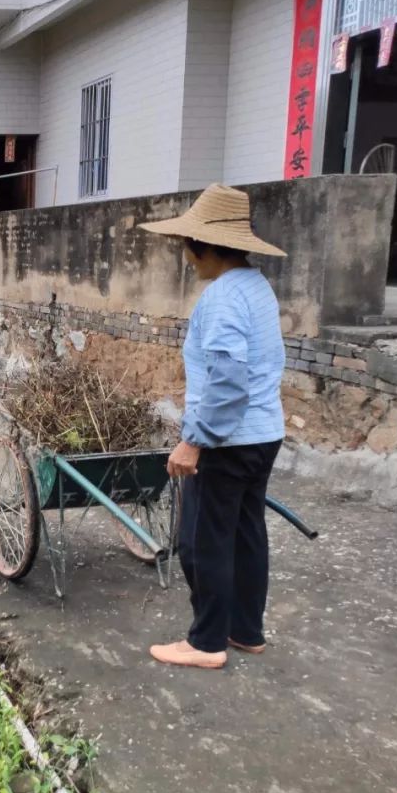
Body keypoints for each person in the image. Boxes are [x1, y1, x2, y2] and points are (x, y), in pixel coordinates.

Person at [138, 184, 287, 670]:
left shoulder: (221, 298)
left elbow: (227, 381)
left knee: (202, 541)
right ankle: (246, 630)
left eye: (186, 246)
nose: (186, 257)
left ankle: (206, 643)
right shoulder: (256, 285)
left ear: (201, 246)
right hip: (264, 434)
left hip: (227, 439)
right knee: (246, 533)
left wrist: (193, 443)